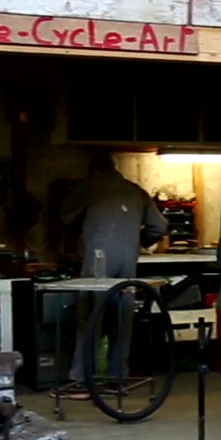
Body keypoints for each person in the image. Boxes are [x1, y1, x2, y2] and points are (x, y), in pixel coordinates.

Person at [60, 154, 170, 382]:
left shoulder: (89, 187)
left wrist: (84, 229)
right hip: (127, 261)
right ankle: (117, 377)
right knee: (122, 319)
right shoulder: (136, 190)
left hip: (99, 259)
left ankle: (82, 379)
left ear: (93, 170)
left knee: (91, 318)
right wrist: (138, 241)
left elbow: (66, 219)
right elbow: (159, 225)